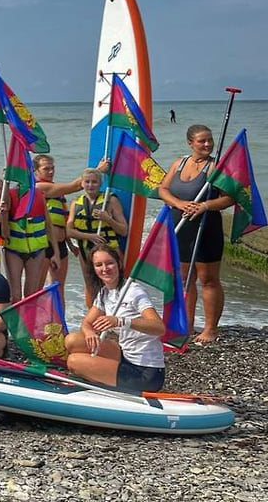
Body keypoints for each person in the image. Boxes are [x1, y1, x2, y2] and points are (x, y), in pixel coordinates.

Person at [157, 124, 233, 345]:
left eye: (210, 140)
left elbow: (229, 198)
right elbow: (163, 189)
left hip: (206, 227)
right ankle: (186, 326)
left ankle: (210, 329)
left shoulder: (215, 167)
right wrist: (179, 203)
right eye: (202, 141)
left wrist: (205, 205)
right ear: (190, 142)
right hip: (180, 226)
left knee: (208, 279)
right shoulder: (178, 163)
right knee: (184, 279)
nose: (208, 144)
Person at [64, 246, 165, 393]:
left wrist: (121, 321)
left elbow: (159, 327)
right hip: (125, 355)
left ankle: (101, 381)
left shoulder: (134, 292)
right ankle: (101, 374)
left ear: (119, 263)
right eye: (99, 265)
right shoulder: (105, 293)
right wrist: (89, 333)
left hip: (146, 371)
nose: (105, 269)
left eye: (109, 263)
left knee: (73, 361)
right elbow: (86, 323)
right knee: (72, 341)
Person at [34, 154, 108, 293]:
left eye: (52, 168)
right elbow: (74, 186)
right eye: (46, 169)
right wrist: (98, 170)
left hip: (61, 245)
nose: (51, 171)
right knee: (37, 289)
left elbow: (61, 220)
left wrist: (69, 244)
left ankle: (59, 315)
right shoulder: (39, 187)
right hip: (45, 244)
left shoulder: (56, 190)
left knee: (58, 288)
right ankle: (32, 314)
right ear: (36, 171)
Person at [66, 168, 128, 306]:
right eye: (87, 182)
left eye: (94, 182)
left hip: (109, 249)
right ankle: (96, 319)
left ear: (100, 183)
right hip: (86, 251)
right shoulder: (76, 203)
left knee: (115, 285)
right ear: (82, 184)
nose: (90, 185)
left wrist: (108, 219)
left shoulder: (110, 201)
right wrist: (90, 237)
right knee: (92, 285)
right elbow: (69, 231)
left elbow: (124, 230)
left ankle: (116, 315)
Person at [0, 180, 49, 300]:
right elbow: (4, 232)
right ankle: (16, 319)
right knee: (15, 294)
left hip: (36, 250)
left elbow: (49, 225)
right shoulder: (10, 196)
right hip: (14, 250)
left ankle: (28, 318)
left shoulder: (39, 195)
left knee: (31, 294)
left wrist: (56, 253)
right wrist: (3, 212)